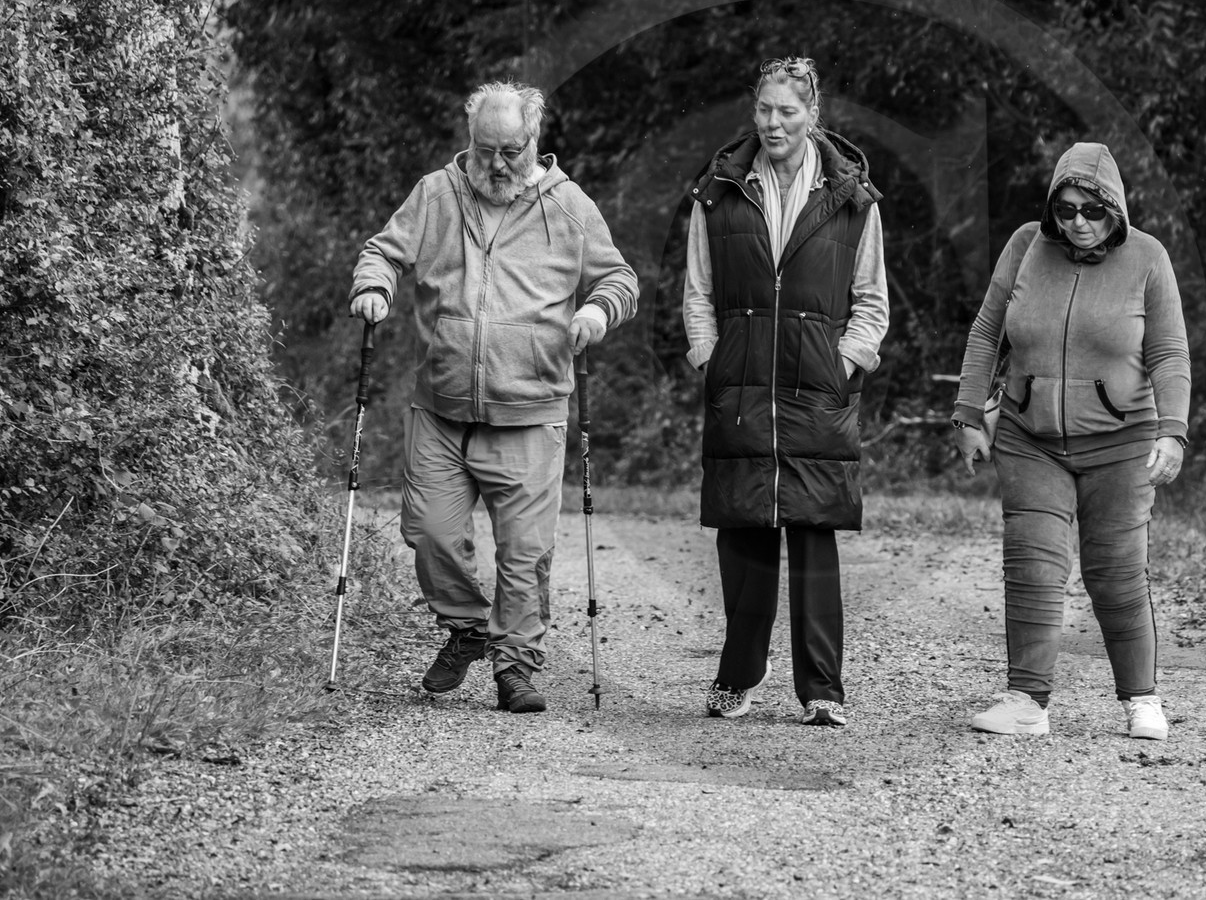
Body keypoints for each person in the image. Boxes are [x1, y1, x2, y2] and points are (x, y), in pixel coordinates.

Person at [349, 81, 638, 714]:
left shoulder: (568, 207)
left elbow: (619, 277)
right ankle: (467, 626)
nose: (498, 163)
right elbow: (383, 251)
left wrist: (596, 311)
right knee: (429, 532)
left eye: (511, 150)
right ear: (469, 140)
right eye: (486, 150)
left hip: (531, 409)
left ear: (534, 140)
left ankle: (516, 665)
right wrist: (374, 286)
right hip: (441, 404)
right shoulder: (437, 194)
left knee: (524, 552)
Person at [952, 141, 1190, 740]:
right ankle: (1027, 701)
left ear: (1115, 209)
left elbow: (1168, 354)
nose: (1078, 223)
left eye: (1092, 210)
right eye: (1066, 210)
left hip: (1121, 442)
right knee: (1031, 562)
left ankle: (1141, 698)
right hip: (1030, 437)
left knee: (1115, 570)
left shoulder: (1148, 258)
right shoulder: (1024, 246)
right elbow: (986, 333)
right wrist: (966, 416)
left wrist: (1173, 432)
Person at [681, 56, 889, 728]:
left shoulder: (853, 198)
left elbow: (871, 301)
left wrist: (846, 363)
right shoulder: (717, 191)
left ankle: (822, 689)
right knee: (742, 535)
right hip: (737, 385)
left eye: (787, 112)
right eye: (765, 111)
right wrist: (709, 359)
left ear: (812, 115)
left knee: (814, 536)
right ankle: (738, 674)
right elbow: (698, 291)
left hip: (816, 388)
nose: (774, 123)